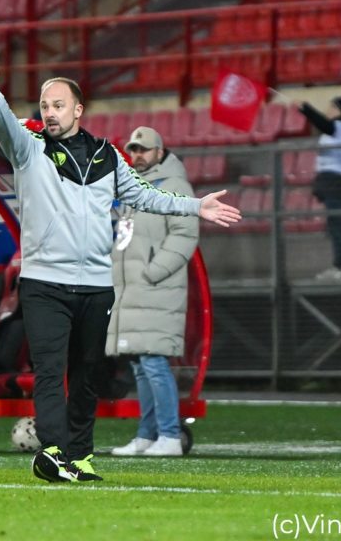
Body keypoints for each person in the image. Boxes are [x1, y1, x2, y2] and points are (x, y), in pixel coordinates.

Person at [0, 55, 242, 483]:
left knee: (87, 375)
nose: (50, 112)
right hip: (44, 282)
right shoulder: (29, 149)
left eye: (58, 105)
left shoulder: (107, 156)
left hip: (96, 285)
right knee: (49, 371)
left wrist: (196, 206)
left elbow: (146, 195)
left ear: (78, 110)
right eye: (45, 105)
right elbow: (3, 125)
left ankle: (80, 457)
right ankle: (53, 451)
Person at [106, 126, 198, 458]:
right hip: (133, 291)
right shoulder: (133, 188)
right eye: (133, 149)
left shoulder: (175, 186)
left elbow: (185, 234)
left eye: (144, 149)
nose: (138, 155)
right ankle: (147, 435)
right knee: (141, 364)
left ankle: (170, 435)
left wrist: (152, 272)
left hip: (155, 289)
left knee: (154, 363)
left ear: (160, 152)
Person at [294, 96, 341, 280]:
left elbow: (324, 124)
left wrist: (306, 109)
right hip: (329, 178)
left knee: (337, 220)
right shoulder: (336, 129)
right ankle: (339, 264)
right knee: (333, 222)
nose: (328, 110)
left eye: (332, 107)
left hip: (337, 179)